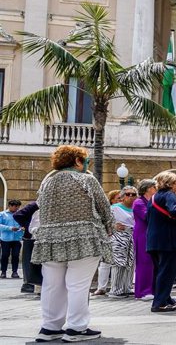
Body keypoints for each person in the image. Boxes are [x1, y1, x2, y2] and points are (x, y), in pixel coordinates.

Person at [32, 145, 113, 342]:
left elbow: (40, 207)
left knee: (52, 284)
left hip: (51, 239)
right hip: (84, 237)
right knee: (78, 284)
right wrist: (109, 227)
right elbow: (104, 207)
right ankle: (76, 328)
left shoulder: (47, 181)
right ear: (77, 161)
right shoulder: (86, 179)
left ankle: (50, 327)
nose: (87, 165)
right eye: (85, 161)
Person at [146, 171, 176, 313]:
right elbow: (175, 210)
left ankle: (167, 298)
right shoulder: (169, 195)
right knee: (167, 272)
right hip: (168, 241)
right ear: (170, 184)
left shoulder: (154, 197)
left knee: (160, 271)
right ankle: (159, 303)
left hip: (153, 240)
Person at [108, 186, 136, 298]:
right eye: (128, 194)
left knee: (130, 262)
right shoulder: (114, 208)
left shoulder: (137, 208)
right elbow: (104, 220)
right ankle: (116, 290)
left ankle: (127, 287)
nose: (131, 196)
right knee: (119, 262)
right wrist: (113, 226)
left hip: (132, 236)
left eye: (133, 194)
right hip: (119, 236)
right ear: (122, 197)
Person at [93, 190, 122, 296]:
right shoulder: (108, 210)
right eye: (118, 198)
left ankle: (118, 286)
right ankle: (101, 287)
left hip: (123, 238)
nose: (120, 200)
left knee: (120, 263)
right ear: (112, 200)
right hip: (109, 237)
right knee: (105, 263)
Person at [133, 179, 156, 301]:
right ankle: (143, 291)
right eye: (154, 187)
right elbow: (147, 216)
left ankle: (151, 289)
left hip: (151, 234)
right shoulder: (138, 202)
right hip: (142, 234)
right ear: (148, 188)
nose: (156, 189)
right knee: (144, 262)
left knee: (151, 262)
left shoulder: (150, 201)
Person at [12, 200, 39, 293]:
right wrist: (27, 226)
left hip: (39, 236)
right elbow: (17, 215)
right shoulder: (35, 205)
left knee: (37, 262)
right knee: (29, 261)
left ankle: (34, 283)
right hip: (31, 237)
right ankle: (27, 283)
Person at [0, 199, 23, 279]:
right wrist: (10, 228)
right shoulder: (2, 214)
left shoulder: (20, 214)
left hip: (17, 239)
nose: (17, 208)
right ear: (9, 206)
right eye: (15, 207)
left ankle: (15, 272)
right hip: (5, 239)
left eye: (18, 207)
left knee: (16, 256)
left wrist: (22, 229)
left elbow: (23, 224)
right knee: (5, 255)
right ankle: (3, 272)